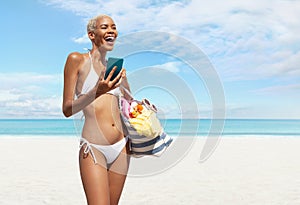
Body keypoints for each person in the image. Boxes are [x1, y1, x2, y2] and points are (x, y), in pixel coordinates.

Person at [62, 14, 131, 205]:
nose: (111, 30)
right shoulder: (76, 59)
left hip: (122, 146)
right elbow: (67, 109)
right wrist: (97, 91)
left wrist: (143, 106)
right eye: (105, 27)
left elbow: (129, 105)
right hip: (94, 148)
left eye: (114, 27)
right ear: (91, 34)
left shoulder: (116, 68)